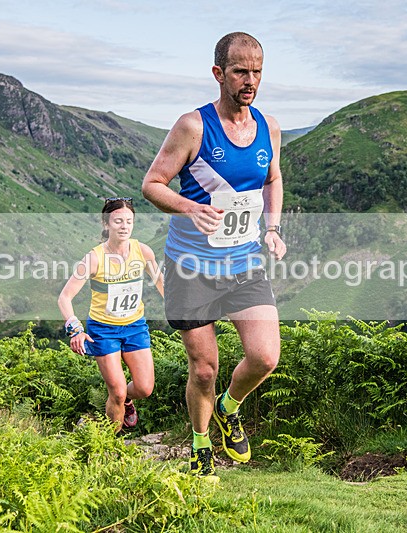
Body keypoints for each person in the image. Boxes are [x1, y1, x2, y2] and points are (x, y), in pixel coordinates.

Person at [142, 32, 286, 479]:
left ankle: (229, 406)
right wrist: (190, 207)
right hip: (191, 268)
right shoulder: (193, 127)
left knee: (265, 357)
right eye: (241, 71)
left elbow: (273, 180)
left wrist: (273, 228)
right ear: (218, 73)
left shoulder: (269, 127)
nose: (250, 80)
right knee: (204, 369)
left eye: (257, 71)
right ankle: (201, 443)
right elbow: (152, 184)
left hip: (244, 262)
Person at [58, 197, 163, 434]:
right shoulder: (94, 258)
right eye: (118, 221)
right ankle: (111, 445)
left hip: (135, 326)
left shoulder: (143, 251)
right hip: (103, 330)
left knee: (145, 388)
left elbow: (160, 283)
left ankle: (126, 401)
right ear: (107, 224)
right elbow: (64, 297)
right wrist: (75, 329)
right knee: (116, 390)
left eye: (129, 221)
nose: (124, 226)